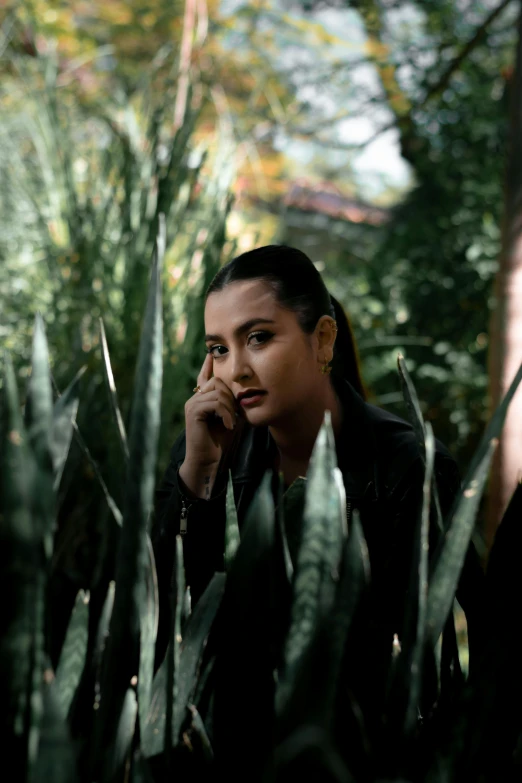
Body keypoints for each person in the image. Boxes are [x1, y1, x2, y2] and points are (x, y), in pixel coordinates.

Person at [151, 244, 484, 684]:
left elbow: (479, 635)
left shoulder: (410, 468)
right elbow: (158, 617)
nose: (236, 371)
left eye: (258, 338)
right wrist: (198, 475)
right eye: (219, 349)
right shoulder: (205, 448)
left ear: (323, 338)